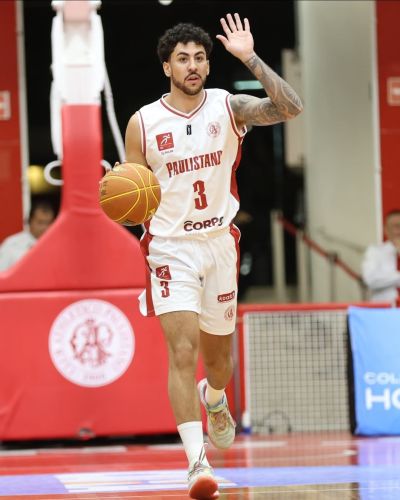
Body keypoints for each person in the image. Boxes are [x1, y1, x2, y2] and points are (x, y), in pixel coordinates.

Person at [124, 13, 302, 499]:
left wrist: (250, 58)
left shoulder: (229, 107)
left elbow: (290, 108)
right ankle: (196, 463)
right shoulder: (143, 123)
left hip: (219, 244)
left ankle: (215, 396)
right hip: (170, 248)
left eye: (200, 58)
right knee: (182, 353)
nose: (193, 65)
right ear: (167, 67)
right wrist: (121, 193)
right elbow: (132, 191)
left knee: (218, 362)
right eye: (183, 58)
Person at [0, 200, 56, 272]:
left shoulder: (56, 245)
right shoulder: (11, 245)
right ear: (29, 221)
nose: (45, 227)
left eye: (48, 223)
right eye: (40, 222)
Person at [361, 209, 400, 303]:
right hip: (384, 308)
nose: (399, 231)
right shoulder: (375, 251)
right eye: (396, 226)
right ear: (386, 230)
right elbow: (370, 280)